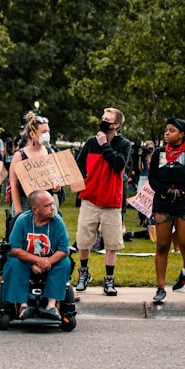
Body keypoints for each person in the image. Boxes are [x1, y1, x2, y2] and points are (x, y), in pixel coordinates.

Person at [75, 107, 132, 296]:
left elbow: (118, 164)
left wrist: (105, 146)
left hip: (111, 202)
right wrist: (84, 179)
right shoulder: (91, 143)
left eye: (107, 119)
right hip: (90, 199)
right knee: (83, 240)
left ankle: (109, 280)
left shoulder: (123, 144)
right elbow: (79, 163)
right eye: (102, 118)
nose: (103, 121)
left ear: (116, 125)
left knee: (111, 243)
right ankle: (83, 273)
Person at [147, 117, 185, 304]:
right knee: (162, 245)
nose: (167, 133)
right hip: (162, 202)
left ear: (182, 134)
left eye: (171, 130)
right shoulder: (159, 153)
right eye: (166, 130)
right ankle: (161, 288)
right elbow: (153, 179)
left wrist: (184, 192)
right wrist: (167, 190)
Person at [1, 190, 71, 320]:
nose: (52, 208)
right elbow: (15, 250)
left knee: (65, 263)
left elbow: (64, 250)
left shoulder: (58, 222)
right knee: (14, 263)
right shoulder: (22, 221)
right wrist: (37, 261)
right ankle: (23, 305)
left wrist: (47, 262)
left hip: (51, 261)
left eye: (52, 204)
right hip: (25, 260)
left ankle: (51, 305)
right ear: (35, 209)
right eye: (47, 206)